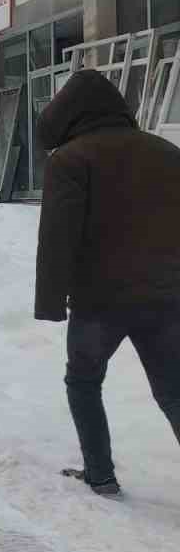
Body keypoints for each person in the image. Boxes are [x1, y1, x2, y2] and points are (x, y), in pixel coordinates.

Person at [35, 69, 180, 497]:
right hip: (165, 299)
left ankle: (100, 475)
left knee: (83, 381)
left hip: (98, 302)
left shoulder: (70, 160)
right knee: (174, 392)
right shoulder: (167, 153)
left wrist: (49, 302)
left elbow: (58, 237)